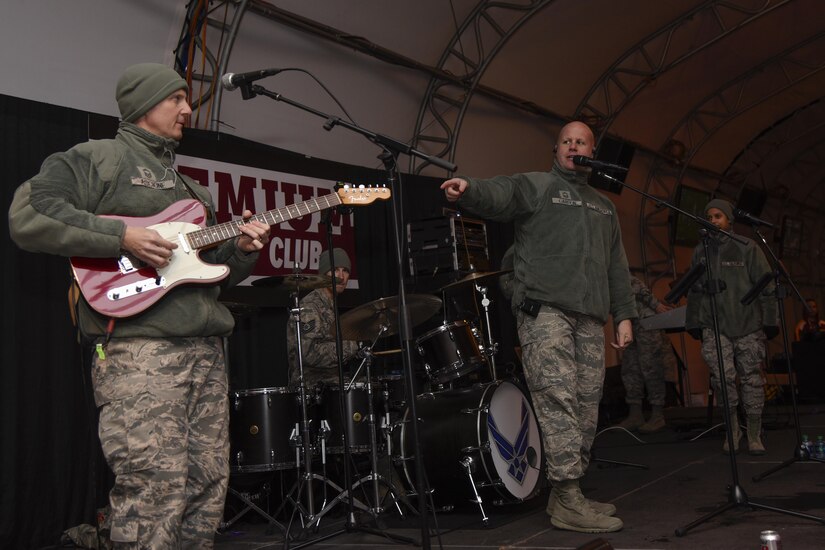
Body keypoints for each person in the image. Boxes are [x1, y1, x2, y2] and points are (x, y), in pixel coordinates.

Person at [8, 63, 271, 548]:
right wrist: (122, 236)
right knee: (154, 488)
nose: (188, 110)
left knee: (207, 486)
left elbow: (210, 279)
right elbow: (30, 214)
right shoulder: (98, 158)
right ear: (144, 104)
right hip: (140, 354)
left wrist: (244, 253)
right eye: (176, 99)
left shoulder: (193, 189)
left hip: (206, 351)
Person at [441, 121, 636, 534]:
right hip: (546, 313)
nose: (573, 145)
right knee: (558, 401)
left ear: (592, 150)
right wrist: (470, 188)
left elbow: (617, 267)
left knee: (586, 404)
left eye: (581, 141)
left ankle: (571, 492)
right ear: (556, 149)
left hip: (589, 317)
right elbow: (503, 192)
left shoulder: (604, 206)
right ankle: (566, 498)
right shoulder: (540, 186)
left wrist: (624, 315)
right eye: (566, 140)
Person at [684, 199, 778, 455]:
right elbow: (693, 289)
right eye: (709, 216)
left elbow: (767, 286)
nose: (713, 221)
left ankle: (755, 434)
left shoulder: (748, 248)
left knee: (751, 380)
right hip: (715, 326)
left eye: (718, 216)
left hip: (747, 325)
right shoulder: (700, 251)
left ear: (729, 220)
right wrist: (693, 321)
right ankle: (733, 431)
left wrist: (771, 320)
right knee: (722, 381)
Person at [286, 247, 360, 389]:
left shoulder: (330, 304)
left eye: (345, 270)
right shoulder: (310, 306)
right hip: (311, 390)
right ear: (324, 274)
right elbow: (309, 354)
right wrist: (351, 347)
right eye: (335, 270)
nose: (341, 276)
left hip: (330, 385)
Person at [618, 275, 679, 433]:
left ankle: (657, 415)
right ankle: (635, 415)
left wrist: (656, 305)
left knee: (651, 367)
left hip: (646, 321)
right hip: (628, 321)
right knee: (630, 368)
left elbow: (636, 285)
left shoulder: (609, 265)